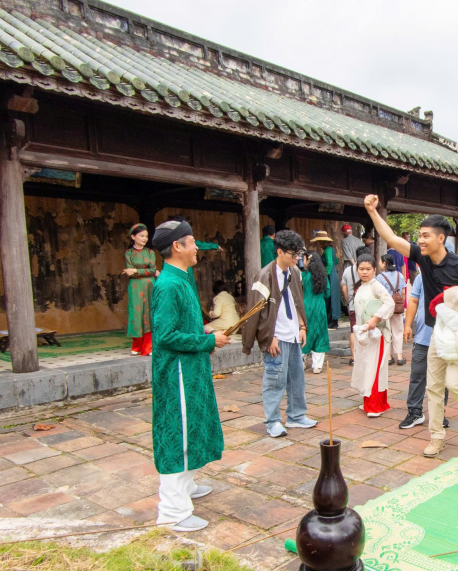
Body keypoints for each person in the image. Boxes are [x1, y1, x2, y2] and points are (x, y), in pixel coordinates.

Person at [363, 195, 458, 457]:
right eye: (419, 235)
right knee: (433, 387)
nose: (420, 240)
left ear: (441, 238)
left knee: (454, 383)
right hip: (436, 334)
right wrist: (372, 211)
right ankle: (436, 436)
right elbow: (391, 238)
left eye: (425, 235)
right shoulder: (422, 256)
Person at [149, 220, 228, 532]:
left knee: (195, 427)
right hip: (177, 373)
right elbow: (165, 336)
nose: (197, 247)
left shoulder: (182, 279)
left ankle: (186, 485)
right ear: (177, 246)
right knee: (178, 433)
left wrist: (206, 335)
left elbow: (183, 327)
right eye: (192, 241)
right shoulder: (168, 285)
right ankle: (172, 511)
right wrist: (208, 342)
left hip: (193, 368)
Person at [241, 229, 318, 438]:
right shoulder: (265, 275)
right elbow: (256, 311)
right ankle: (272, 421)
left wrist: (302, 327)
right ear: (280, 252)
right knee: (274, 380)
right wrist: (269, 337)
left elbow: (297, 302)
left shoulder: (295, 273)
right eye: (293, 254)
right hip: (276, 336)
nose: (297, 258)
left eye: (299, 254)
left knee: (296, 378)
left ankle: (296, 415)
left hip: (292, 333)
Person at [401, 273, 450, 430]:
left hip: (445, 338)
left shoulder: (452, 274)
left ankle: (439, 412)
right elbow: (414, 301)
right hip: (423, 336)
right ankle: (415, 412)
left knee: (442, 378)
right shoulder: (422, 276)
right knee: (417, 375)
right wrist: (408, 325)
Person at [350, 253, 396, 416]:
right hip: (365, 333)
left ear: (375, 270)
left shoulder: (376, 285)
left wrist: (375, 319)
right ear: (357, 270)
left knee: (374, 367)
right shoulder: (362, 286)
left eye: (368, 269)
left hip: (377, 333)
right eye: (361, 269)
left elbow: (389, 303)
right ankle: (369, 401)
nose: (364, 272)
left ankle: (375, 405)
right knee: (365, 366)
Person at [123, 223, 158, 356]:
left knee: (149, 313)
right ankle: (137, 345)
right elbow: (129, 272)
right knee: (136, 313)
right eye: (141, 236)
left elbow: (153, 270)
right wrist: (144, 271)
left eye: (146, 236)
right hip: (135, 287)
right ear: (133, 237)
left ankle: (149, 346)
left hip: (149, 285)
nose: (145, 239)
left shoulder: (150, 253)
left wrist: (136, 271)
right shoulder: (128, 253)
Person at [301, 247, 330, 374]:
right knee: (320, 333)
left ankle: (301, 362)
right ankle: (317, 366)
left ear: (308, 260)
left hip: (305, 306)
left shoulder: (303, 276)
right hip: (320, 307)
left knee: (304, 332)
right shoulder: (324, 277)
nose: (303, 261)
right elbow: (328, 293)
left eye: (304, 259)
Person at [342, 245, 371, 364]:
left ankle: (354, 357)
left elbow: (344, 288)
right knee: (367, 330)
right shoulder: (369, 270)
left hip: (353, 305)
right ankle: (366, 356)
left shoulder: (347, 270)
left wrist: (348, 301)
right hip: (367, 307)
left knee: (353, 331)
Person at [378, 253, 407, 366]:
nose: (379, 264)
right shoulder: (400, 275)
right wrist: (401, 304)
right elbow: (403, 292)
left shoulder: (380, 277)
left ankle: (389, 357)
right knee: (398, 331)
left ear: (384, 263)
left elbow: (379, 294)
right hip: (397, 307)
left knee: (386, 331)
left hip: (385, 307)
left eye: (380, 262)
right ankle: (399, 356)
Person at [309, 232, 340, 329]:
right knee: (333, 298)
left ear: (322, 242)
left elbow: (330, 264)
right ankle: (333, 322)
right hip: (334, 275)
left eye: (319, 242)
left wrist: (324, 275)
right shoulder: (332, 250)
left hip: (330, 276)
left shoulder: (327, 250)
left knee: (329, 298)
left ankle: (331, 322)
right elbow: (336, 261)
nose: (318, 244)